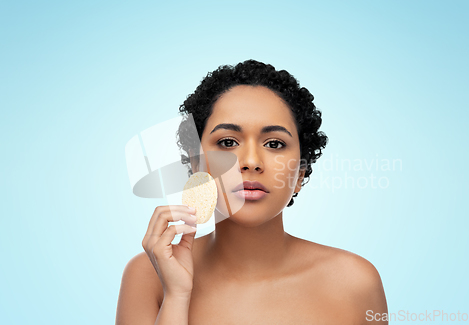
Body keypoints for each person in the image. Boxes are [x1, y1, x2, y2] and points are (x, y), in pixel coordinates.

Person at [116, 60, 388, 324]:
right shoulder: (149, 275)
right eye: (228, 142)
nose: (251, 161)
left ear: (300, 173)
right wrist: (176, 296)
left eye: (274, 143)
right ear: (197, 163)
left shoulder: (356, 283)